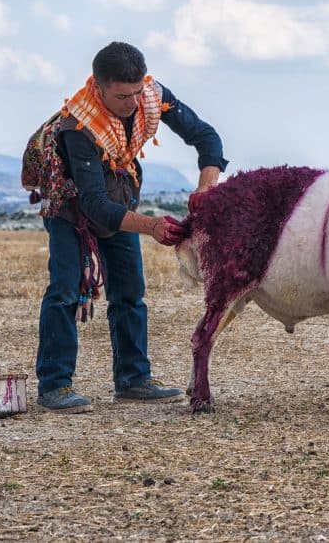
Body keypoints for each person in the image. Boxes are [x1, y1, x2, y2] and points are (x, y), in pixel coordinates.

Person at [33, 41, 226, 413]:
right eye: (123, 96)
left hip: (118, 202)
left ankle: (133, 379)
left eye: (138, 92)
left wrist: (206, 191)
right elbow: (93, 204)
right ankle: (54, 386)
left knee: (130, 294)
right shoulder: (79, 126)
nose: (134, 103)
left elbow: (207, 138)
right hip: (72, 212)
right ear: (99, 87)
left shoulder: (152, 95)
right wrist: (151, 226)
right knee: (64, 292)